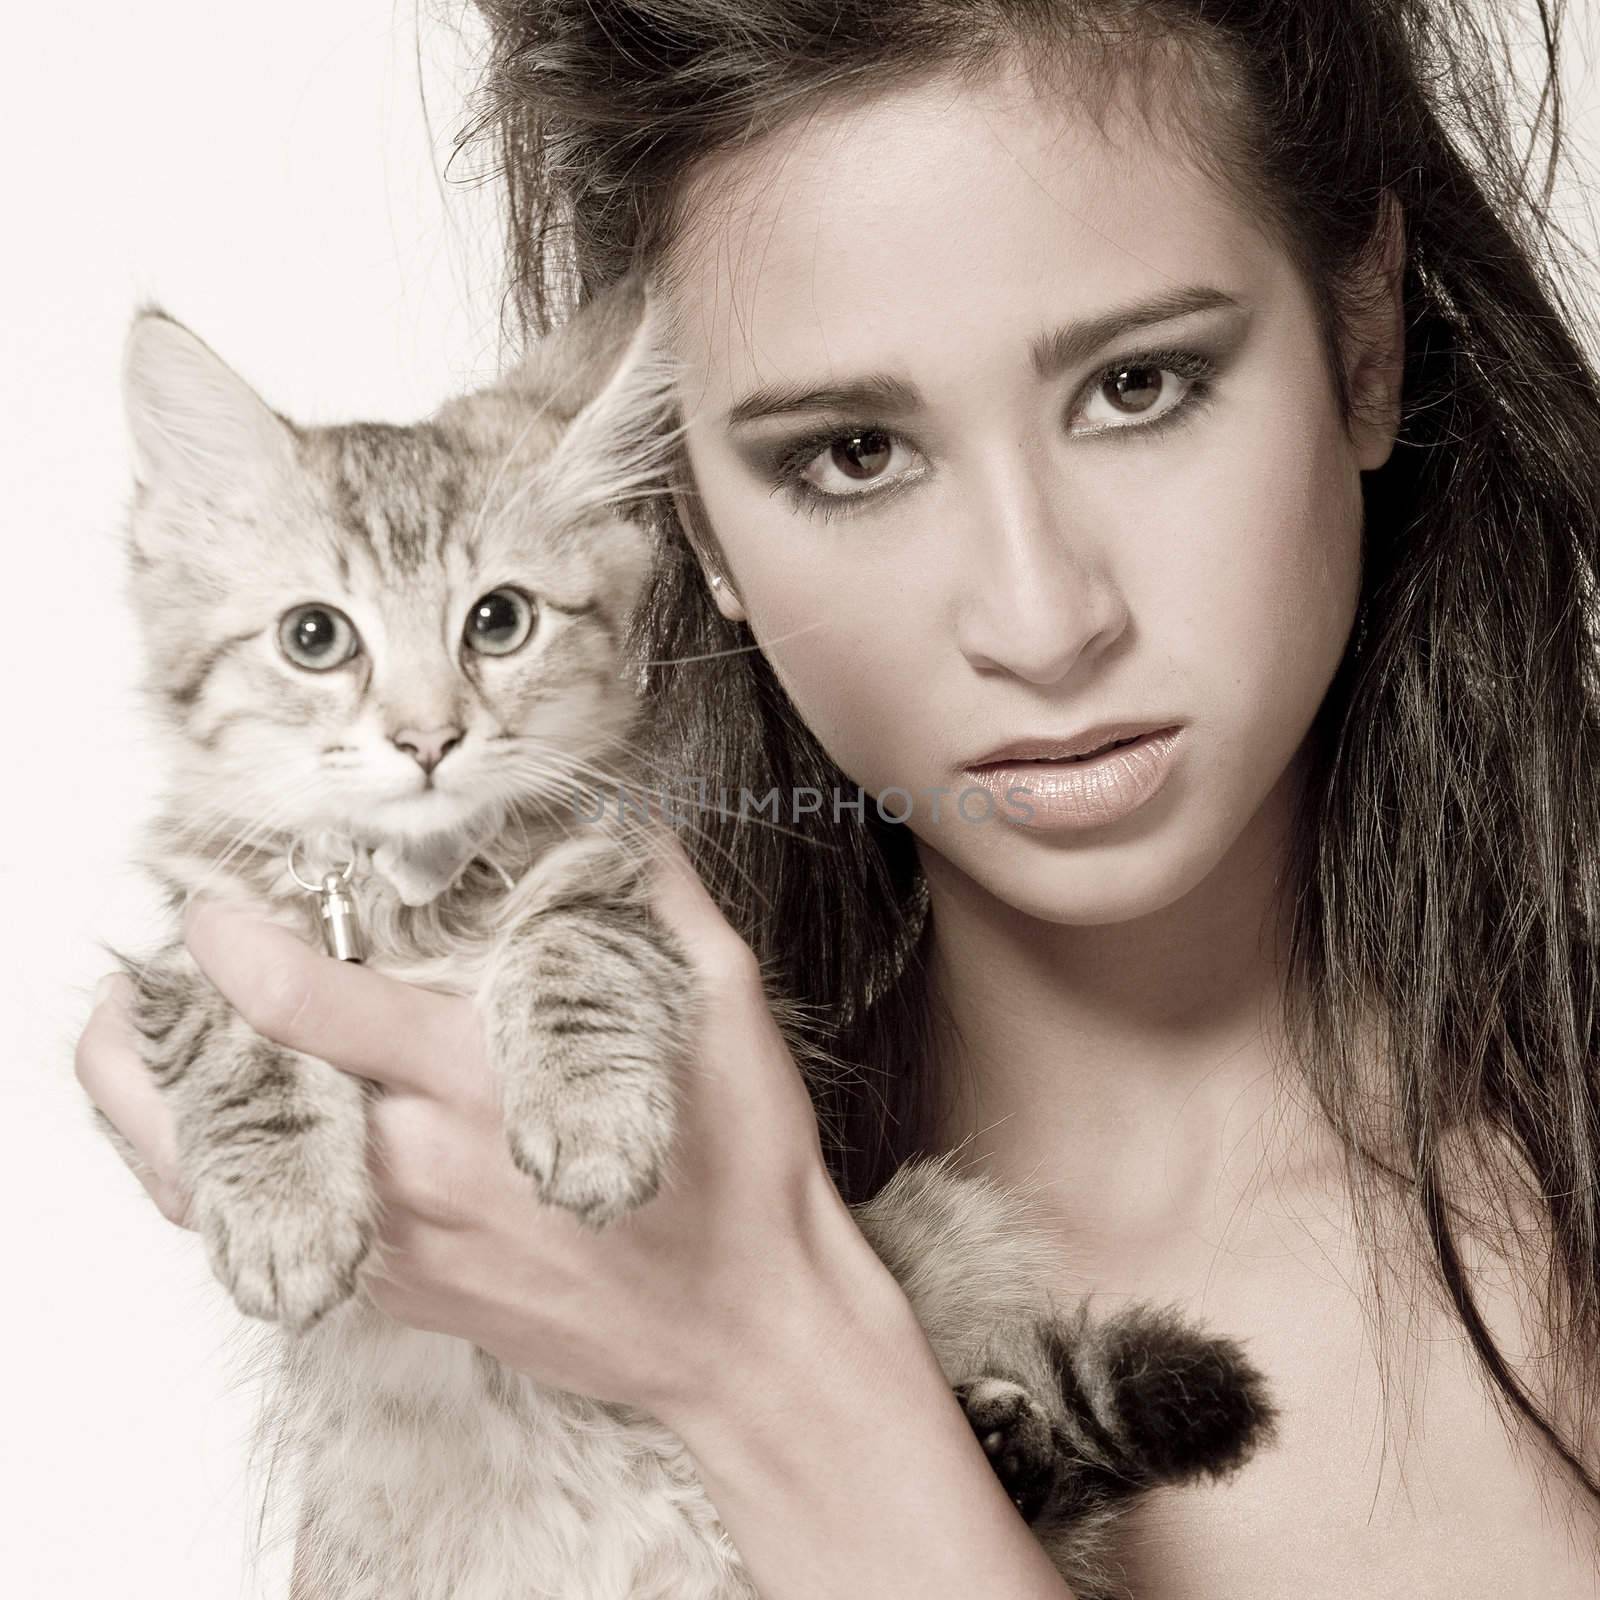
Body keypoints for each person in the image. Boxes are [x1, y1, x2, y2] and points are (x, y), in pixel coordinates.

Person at [75, 0, 1600, 1593]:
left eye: (1141, 384)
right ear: (698, 536)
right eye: (854, 453)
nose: (1042, 616)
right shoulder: (483, 1270)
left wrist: (761, 1361)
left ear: (1363, 343)